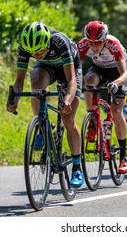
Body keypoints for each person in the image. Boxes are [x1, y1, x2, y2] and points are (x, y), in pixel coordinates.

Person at [6, 21, 84, 188]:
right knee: (36, 82)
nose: (37, 55)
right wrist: (14, 100)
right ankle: (42, 125)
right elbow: (19, 81)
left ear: (47, 42)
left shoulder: (60, 42)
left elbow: (71, 80)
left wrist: (68, 100)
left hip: (68, 68)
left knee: (68, 118)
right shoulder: (26, 48)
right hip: (47, 67)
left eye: (40, 51)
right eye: (33, 53)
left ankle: (77, 167)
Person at [77, 20, 127, 174]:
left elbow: (125, 74)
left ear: (105, 39)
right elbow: (76, 69)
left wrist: (116, 83)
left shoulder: (113, 45)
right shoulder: (82, 45)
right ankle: (92, 118)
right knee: (89, 80)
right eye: (90, 42)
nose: (93, 46)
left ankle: (124, 156)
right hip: (99, 68)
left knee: (116, 111)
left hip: (117, 72)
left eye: (98, 42)